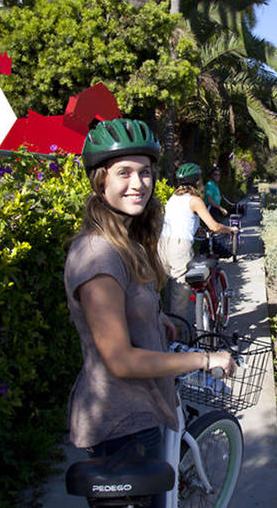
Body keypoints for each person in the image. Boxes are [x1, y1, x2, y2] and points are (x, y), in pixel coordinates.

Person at [64, 119, 235, 500]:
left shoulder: (125, 241)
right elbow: (121, 361)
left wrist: (153, 318)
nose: (138, 183)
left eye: (144, 172)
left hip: (141, 411)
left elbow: (116, 310)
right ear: (100, 180)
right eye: (124, 173)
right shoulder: (98, 254)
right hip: (122, 425)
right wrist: (205, 360)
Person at [158, 162, 238, 319]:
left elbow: (181, 220)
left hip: (162, 244)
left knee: (165, 290)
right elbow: (214, 226)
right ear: (196, 181)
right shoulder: (194, 200)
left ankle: (163, 333)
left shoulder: (173, 198)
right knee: (179, 295)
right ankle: (177, 338)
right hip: (179, 247)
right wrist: (229, 230)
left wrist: (197, 229)